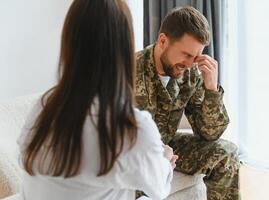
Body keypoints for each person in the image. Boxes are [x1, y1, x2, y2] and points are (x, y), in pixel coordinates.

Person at [17, 0, 174, 200]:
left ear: (69, 42)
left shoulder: (43, 107)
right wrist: (165, 161)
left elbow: (25, 165)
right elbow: (158, 188)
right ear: (124, 48)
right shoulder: (130, 126)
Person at [135, 6, 240, 200]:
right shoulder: (128, 71)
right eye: (186, 54)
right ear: (163, 41)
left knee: (226, 152)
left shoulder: (190, 73)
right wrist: (158, 159)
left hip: (168, 145)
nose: (191, 64)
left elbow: (210, 133)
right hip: (136, 154)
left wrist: (211, 89)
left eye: (196, 56)